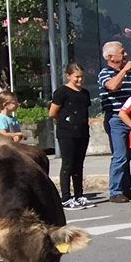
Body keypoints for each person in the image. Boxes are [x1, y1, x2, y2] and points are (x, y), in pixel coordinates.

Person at [97, 41, 131, 202]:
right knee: (120, 155)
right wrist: (124, 70)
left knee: (129, 155)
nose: (126, 55)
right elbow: (112, 86)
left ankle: (125, 188)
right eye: (122, 53)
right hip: (115, 119)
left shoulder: (128, 72)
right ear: (110, 57)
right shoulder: (105, 73)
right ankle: (115, 191)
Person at [50, 62, 93, 206]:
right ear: (68, 76)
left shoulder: (85, 93)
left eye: (82, 77)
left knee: (79, 164)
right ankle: (66, 197)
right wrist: (64, 123)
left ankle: (79, 194)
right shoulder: (62, 92)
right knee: (68, 164)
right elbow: (53, 112)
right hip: (67, 133)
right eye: (76, 77)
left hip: (82, 132)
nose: (80, 80)